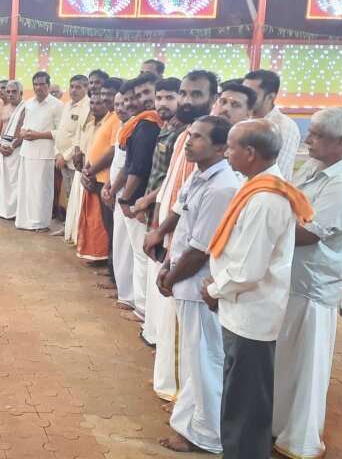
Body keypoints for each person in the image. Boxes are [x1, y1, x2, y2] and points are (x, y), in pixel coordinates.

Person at [201, 119, 313, 459]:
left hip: (251, 313)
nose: (226, 152)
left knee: (246, 406)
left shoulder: (266, 199)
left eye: (231, 147)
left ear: (250, 152)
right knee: (240, 399)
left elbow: (248, 271)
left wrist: (215, 290)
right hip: (241, 309)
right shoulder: (256, 186)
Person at [150, 115, 239, 454]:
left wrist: (171, 278)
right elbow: (182, 222)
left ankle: (209, 435)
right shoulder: (200, 175)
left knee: (205, 361)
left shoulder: (222, 188)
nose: (189, 142)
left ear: (221, 147)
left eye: (198, 137)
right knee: (196, 359)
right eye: (190, 135)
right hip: (184, 278)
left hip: (199, 287)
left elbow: (201, 250)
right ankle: (192, 425)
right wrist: (167, 264)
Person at [272, 108, 342, 458]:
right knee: (286, 359)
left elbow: (309, 233)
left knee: (307, 365)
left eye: (318, 135)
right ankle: (279, 426)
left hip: (315, 283)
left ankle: (300, 440)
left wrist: (264, 230)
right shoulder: (315, 166)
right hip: (293, 277)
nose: (309, 138)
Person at [131, 77, 183, 392]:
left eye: (169, 97)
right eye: (159, 98)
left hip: (166, 216)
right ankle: (154, 335)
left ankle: (163, 347)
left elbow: (173, 184)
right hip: (156, 212)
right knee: (153, 272)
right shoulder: (166, 128)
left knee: (163, 280)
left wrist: (146, 200)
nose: (163, 103)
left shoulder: (183, 134)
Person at [109, 74, 161, 324]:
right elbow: (128, 164)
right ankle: (134, 299)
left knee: (141, 254)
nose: (134, 101)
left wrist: (125, 199)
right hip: (132, 198)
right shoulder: (137, 124)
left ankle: (141, 307)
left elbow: (138, 168)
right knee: (131, 250)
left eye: (143, 94)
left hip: (137, 201)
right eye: (133, 97)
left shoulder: (148, 125)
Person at [14, 71, 63, 231]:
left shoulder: (57, 105)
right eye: (35, 84)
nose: (38, 87)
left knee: (42, 191)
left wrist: (38, 135)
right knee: (26, 189)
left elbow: (60, 132)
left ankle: (41, 223)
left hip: (45, 153)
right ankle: (24, 221)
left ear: (48, 85)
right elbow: (24, 125)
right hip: (26, 151)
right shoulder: (29, 103)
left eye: (42, 84)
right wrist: (23, 132)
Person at [77, 78, 118, 263]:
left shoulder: (117, 118)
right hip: (96, 176)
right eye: (103, 94)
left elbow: (112, 151)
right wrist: (88, 168)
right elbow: (97, 147)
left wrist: (91, 170)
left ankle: (112, 270)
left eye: (110, 94)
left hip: (106, 178)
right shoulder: (110, 116)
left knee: (110, 227)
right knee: (105, 225)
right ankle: (110, 267)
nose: (105, 98)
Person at [104, 85, 135, 309]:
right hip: (115, 190)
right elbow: (116, 162)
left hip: (126, 194)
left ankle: (130, 297)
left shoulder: (136, 127)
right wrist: (108, 184)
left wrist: (114, 190)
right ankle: (121, 288)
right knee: (118, 242)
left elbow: (130, 167)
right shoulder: (122, 127)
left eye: (124, 103)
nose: (120, 108)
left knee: (127, 246)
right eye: (117, 104)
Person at [243, 70, 301, 180]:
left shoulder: (284, 127)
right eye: (244, 93)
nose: (246, 98)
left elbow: (277, 174)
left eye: (252, 94)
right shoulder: (244, 120)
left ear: (270, 97)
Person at [54, 74, 90, 239]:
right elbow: (60, 131)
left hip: (74, 161)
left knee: (76, 196)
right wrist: (57, 153)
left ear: (86, 88)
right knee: (68, 195)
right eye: (72, 86)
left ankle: (76, 230)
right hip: (61, 158)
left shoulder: (87, 106)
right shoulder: (67, 105)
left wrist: (66, 156)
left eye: (78, 87)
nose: (74, 90)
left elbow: (79, 136)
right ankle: (68, 227)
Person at [0, 81, 23, 219]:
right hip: (2, 146)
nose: (10, 94)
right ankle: (1, 209)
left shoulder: (25, 108)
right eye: (8, 91)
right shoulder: (3, 108)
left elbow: (23, 131)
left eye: (13, 91)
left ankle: (14, 212)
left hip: (16, 148)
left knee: (14, 181)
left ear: (21, 93)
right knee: (2, 180)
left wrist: (12, 146)